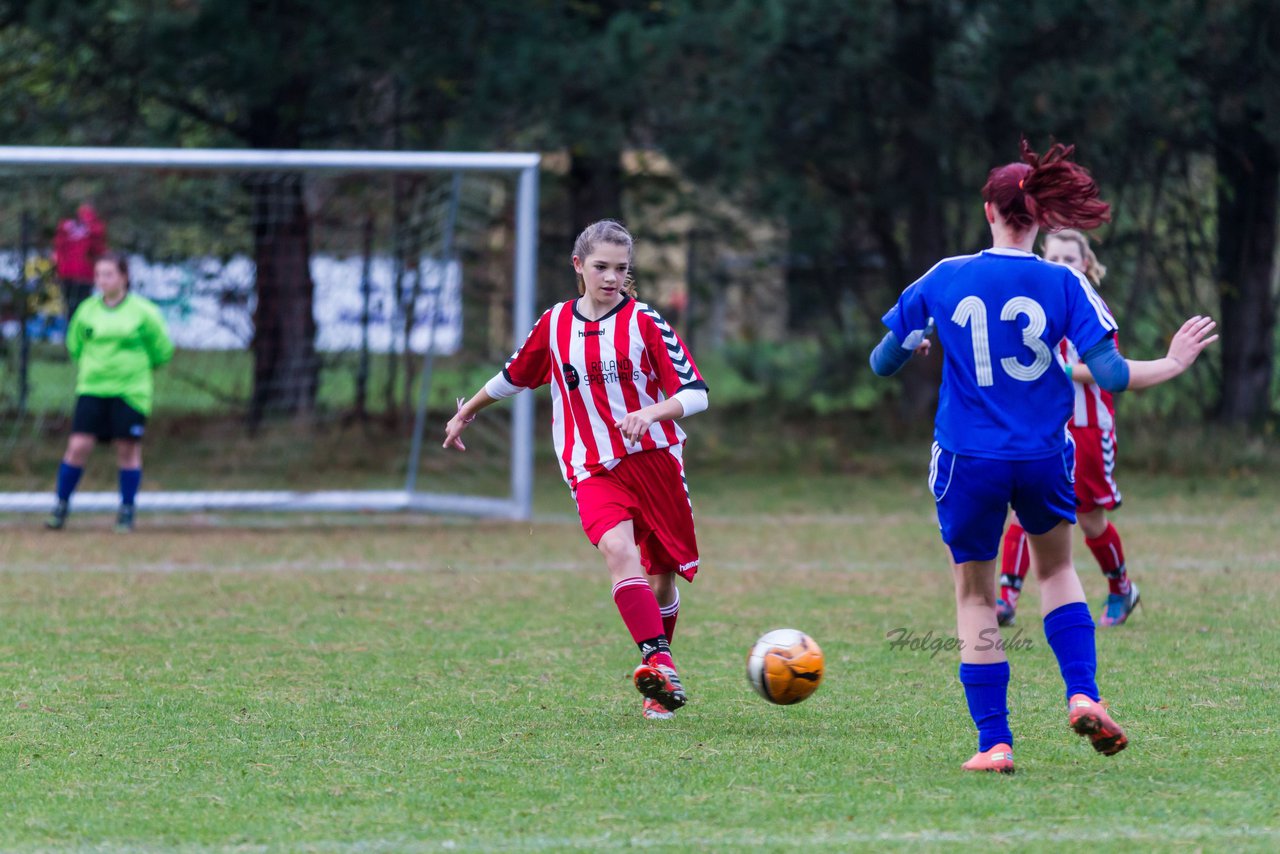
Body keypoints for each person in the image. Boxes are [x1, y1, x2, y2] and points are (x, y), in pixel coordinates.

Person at [869, 141, 1218, 773]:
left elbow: (882, 361)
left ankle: (995, 744)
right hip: (1042, 455)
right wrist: (1171, 360)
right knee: (1056, 573)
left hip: (967, 458)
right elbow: (1109, 375)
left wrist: (915, 339)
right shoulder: (1065, 280)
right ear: (1040, 216)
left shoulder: (945, 276)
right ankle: (1082, 693)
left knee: (975, 595)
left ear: (989, 211)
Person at [444, 220, 709, 721]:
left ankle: (659, 677)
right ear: (578, 266)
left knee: (661, 579)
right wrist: (467, 411)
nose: (611, 278)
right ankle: (659, 663)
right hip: (589, 464)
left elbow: (696, 392)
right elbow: (514, 374)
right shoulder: (555, 323)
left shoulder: (647, 323)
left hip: (655, 461)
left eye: (620, 269)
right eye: (600, 267)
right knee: (617, 549)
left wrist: (651, 413)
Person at [998, 230, 1137, 628]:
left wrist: (1060, 370)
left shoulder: (1089, 308)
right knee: (1023, 510)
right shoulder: (1030, 312)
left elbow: (1105, 370)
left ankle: (1120, 588)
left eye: (1069, 260)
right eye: (1053, 259)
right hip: (1044, 429)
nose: (1060, 267)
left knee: (1090, 518)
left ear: (1086, 266)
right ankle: (1006, 598)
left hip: (1089, 428)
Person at [47, 253, 174, 532]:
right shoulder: (87, 311)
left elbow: (162, 351)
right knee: (78, 446)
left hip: (130, 391)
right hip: (92, 387)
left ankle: (127, 510)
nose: (101, 281)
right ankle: (60, 505)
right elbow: (75, 346)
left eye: (108, 275)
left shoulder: (144, 312)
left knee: (127, 449)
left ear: (123, 277)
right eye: (98, 275)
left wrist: (132, 371)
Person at [53, 203, 108, 319]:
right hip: (72, 274)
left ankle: (80, 333)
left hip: (81, 275)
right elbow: (59, 248)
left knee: (79, 307)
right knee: (74, 307)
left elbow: (98, 250)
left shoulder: (93, 229)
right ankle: (75, 333)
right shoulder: (66, 228)